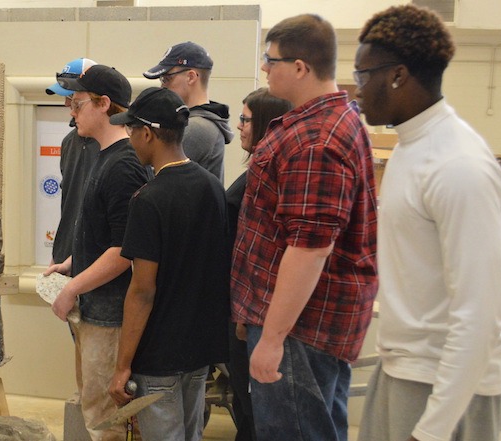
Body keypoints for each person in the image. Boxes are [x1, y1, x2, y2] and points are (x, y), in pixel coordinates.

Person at [354, 5, 501, 441]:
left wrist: (433, 430)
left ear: (398, 76)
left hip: (448, 387)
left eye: (363, 74)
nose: (358, 89)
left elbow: (478, 312)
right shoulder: (410, 146)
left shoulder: (458, 165)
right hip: (402, 369)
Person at [229, 14, 378, 441]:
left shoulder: (317, 141)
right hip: (297, 325)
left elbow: (310, 250)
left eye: (271, 59)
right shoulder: (317, 123)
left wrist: (272, 338)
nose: (264, 67)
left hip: (300, 330)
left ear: (300, 67)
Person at [105, 87, 229, 440]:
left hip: (159, 356)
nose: (129, 140)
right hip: (199, 350)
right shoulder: (212, 187)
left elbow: (143, 290)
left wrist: (122, 366)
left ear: (147, 133)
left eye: (131, 131)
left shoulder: (149, 199)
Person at [44, 64, 150, 440]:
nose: (72, 112)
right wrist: (72, 263)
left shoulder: (123, 164)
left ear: (104, 104)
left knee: (107, 420)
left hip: (110, 313)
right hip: (97, 308)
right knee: (96, 411)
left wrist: (74, 287)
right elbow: (106, 235)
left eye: (78, 104)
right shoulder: (106, 155)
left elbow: (125, 250)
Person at [225, 87, 292, 441]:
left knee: (256, 414)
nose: (239, 126)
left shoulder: (263, 179)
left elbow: (260, 255)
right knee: (247, 408)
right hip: (243, 310)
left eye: (246, 119)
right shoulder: (255, 174)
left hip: (251, 314)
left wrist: (245, 315)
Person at [143, 41, 233, 181]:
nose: (162, 87)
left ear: (191, 77)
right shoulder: (201, 122)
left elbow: (156, 180)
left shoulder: (196, 128)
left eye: (167, 79)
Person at [45, 57, 99, 267]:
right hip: (65, 259)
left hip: (95, 262)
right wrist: (59, 253)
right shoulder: (69, 143)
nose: (67, 104)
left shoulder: (122, 148)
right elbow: (69, 204)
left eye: (72, 97)